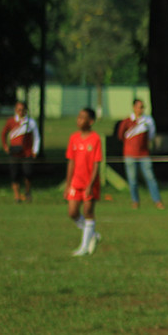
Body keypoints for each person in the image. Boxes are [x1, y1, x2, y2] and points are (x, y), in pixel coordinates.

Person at [65, 108, 102, 256]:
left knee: (88, 212)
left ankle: (84, 247)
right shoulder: (74, 138)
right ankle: (93, 234)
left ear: (91, 121)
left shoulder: (95, 139)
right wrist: (68, 185)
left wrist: (90, 185)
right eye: (78, 117)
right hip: (75, 182)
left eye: (83, 118)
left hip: (89, 184)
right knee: (72, 212)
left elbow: (96, 163)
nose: (79, 120)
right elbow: (71, 162)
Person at [117, 99, 164, 209]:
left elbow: (151, 135)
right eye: (139, 107)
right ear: (134, 107)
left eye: (142, 107)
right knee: (132, 180)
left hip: (144, 154)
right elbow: (120, 136)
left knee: (150, 178)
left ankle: (157, 201)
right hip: (129, 155)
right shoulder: (127, 121)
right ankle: (135, 201)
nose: (141, 109)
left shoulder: (148, 120)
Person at [2, 100, 40, 202]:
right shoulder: (11, 121)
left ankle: (27, 192)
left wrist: (35, 150)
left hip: (27, 153)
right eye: (19, 110)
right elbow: (3, 134)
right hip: (14, 153)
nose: (21, 112)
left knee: (28, 173)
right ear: (15, 110)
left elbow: (36, 136)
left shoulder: (30, 122)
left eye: (22, 110)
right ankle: (17, 196)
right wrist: (5, 146)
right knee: (14, 175)